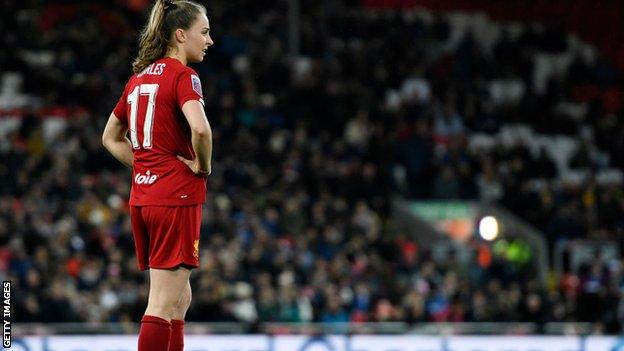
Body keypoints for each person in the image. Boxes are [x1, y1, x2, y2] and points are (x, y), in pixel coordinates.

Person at [102, 0, 213, 350]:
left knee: (179, 300)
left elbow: (109, 138)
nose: (209, 41)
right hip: (174, 198)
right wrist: (203, 166)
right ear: (181, 35)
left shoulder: (138, 79)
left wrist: (147, 166)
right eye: (204, 32)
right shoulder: (183, 76)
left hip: (145, 198)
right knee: (162, 303)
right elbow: (201, 130)